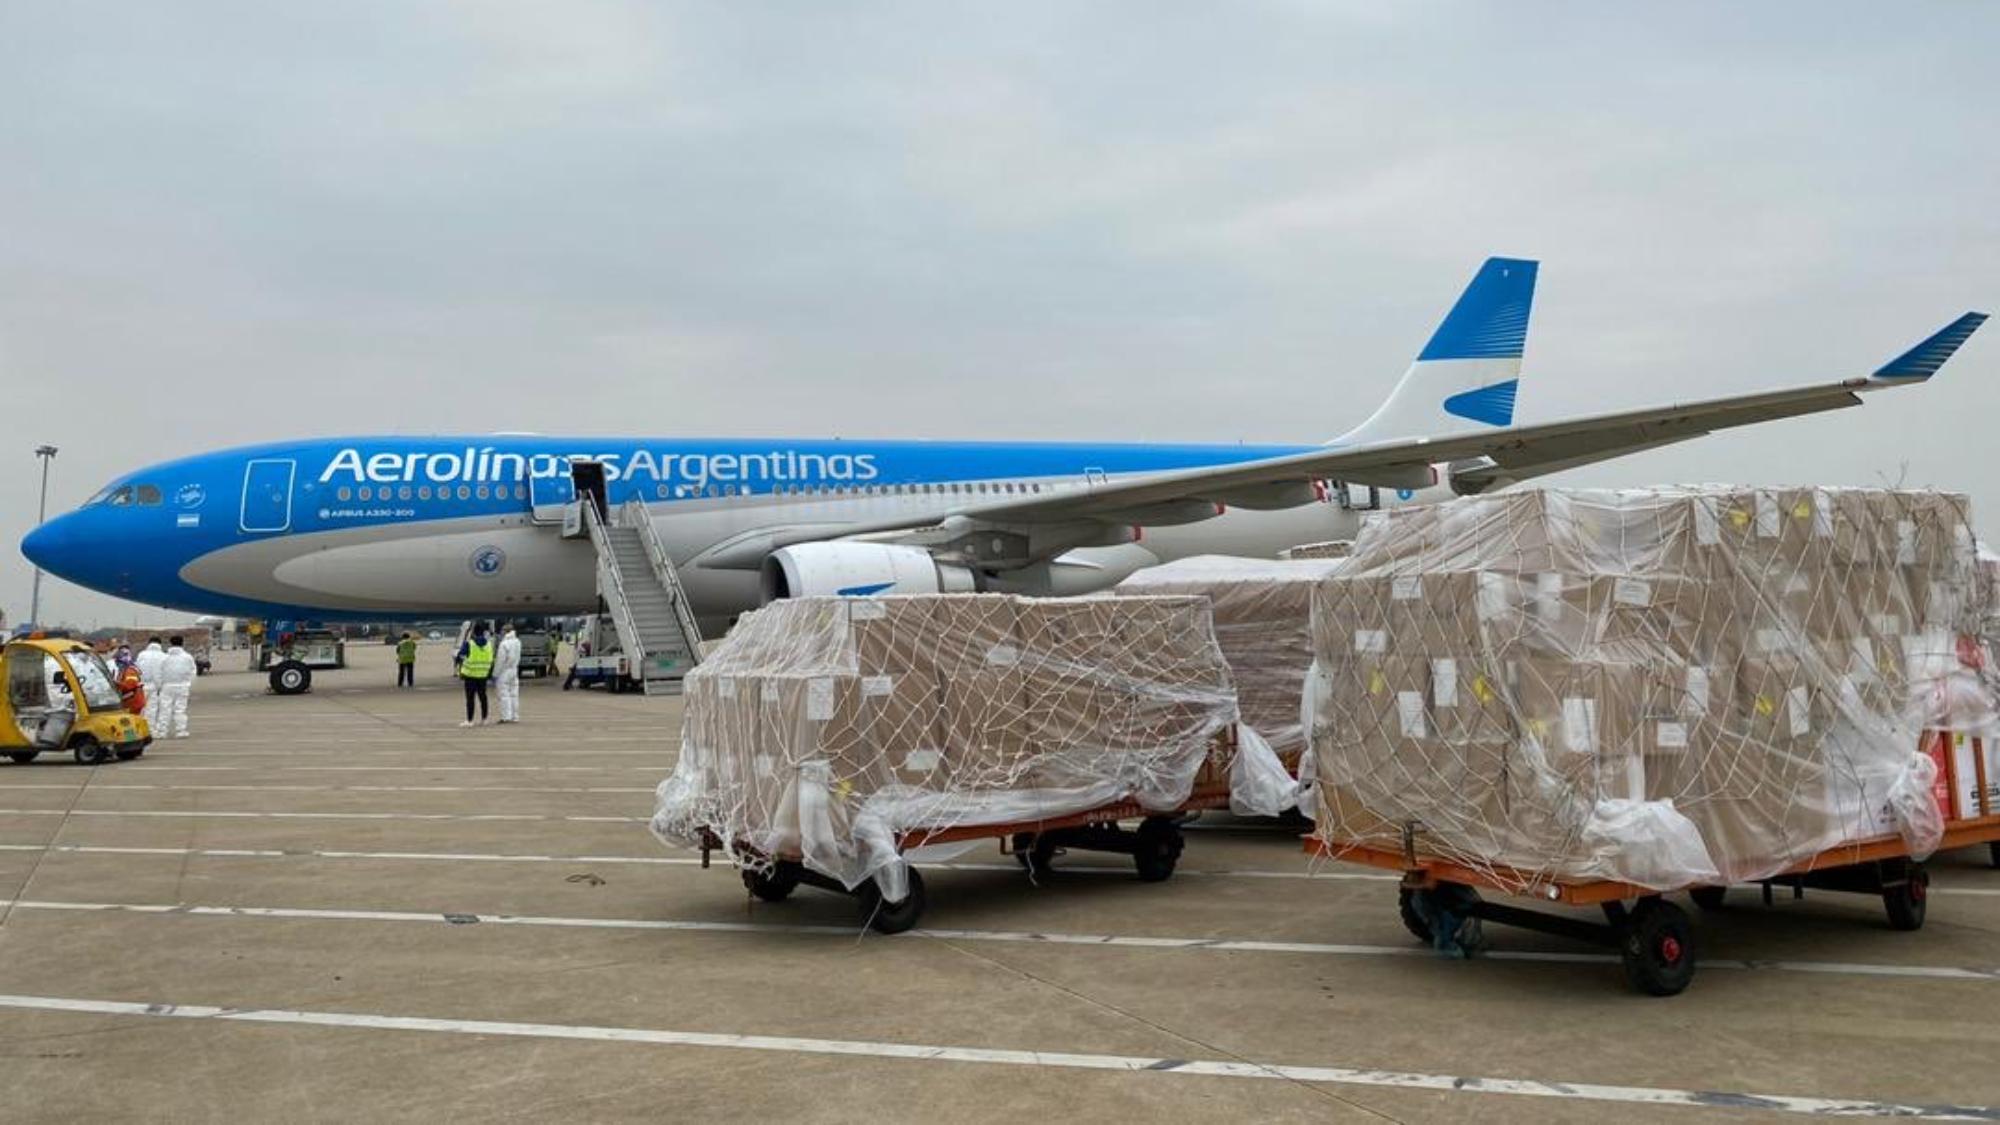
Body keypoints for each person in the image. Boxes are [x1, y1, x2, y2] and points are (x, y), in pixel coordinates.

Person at [157, 636, 198, 738]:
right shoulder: (187, 657)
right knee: (180, 709)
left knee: (165, 709)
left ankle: (162, 731)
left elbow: (159, 673)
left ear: (170, 643)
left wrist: (160, 685)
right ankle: (181, 730)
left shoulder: (164, 657)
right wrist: (188, 684)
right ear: (182, 643)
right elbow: (193, 672)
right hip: (182, 686)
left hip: (167, 686)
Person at [455, 624, 495, 727]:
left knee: (470, 699)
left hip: (470, 675)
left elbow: (460, 656)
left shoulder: (469, 644)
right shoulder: (488, 645)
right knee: (483, 697)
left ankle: (470, 720)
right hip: (482, 675)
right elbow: (491, 659)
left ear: (473, 632)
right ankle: (484, 719)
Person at [134, 637, 166, 732]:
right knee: (152, 709)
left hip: (141, 685)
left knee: (141, 708)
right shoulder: (163, 656)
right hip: (155, 686)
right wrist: (160, 686)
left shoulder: (142, 655)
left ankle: (139, 729)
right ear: (160, 644)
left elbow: (137, 669)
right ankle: (150, 729)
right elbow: (161, 672)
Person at [494, 624, 522, 723]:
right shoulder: (517, 641)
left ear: (505, 631)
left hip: (505, 671)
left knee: (504, 695)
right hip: (514, 670)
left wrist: (495, 674)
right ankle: (515, 716)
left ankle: (506, 717)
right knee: (514, 694)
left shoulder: (504, 644)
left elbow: (500, 661)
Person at [113, 648, 146, 716]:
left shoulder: (130, 671)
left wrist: (116, 684)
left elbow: (130, 685)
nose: (117, 664)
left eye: (118, 662)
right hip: (130, 701)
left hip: (134, 701)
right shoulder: (123, 671)